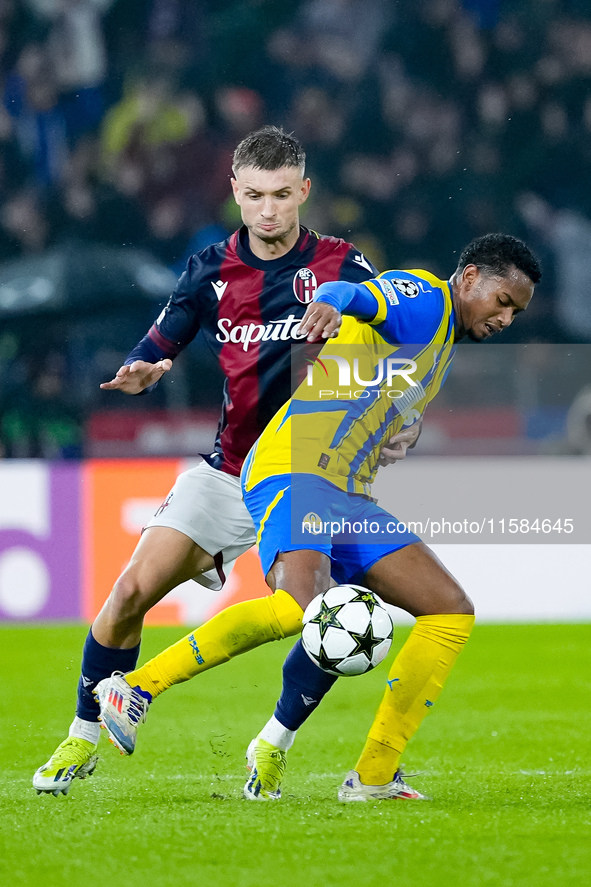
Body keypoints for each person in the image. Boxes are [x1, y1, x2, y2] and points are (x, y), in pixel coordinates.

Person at [92, 233, 540, 802]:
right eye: (503, 301)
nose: (507, 318)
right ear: (471, 277)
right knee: (299, 608)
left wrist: (402, 425)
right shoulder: (429, 298)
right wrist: (330, 298)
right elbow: (360, 296)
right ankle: (134, 689)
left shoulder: (442, 339)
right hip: (293, 470)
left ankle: (373, 776)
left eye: (516, 313)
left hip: (347, 492)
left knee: (448, 611)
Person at [32, 125, 379, 795]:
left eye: (282, 195)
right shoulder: (210, 268)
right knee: (128, 593)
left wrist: (359, 328)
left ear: (303, 190)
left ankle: (272, 744)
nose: (269, 210)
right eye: (254, 196)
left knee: (315, 616)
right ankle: (80, 738)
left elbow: (391, 324)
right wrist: (142, 364)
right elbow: (163, 335)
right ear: (234, 194)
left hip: (304, 476)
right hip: (227, 473)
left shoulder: (341, 266)